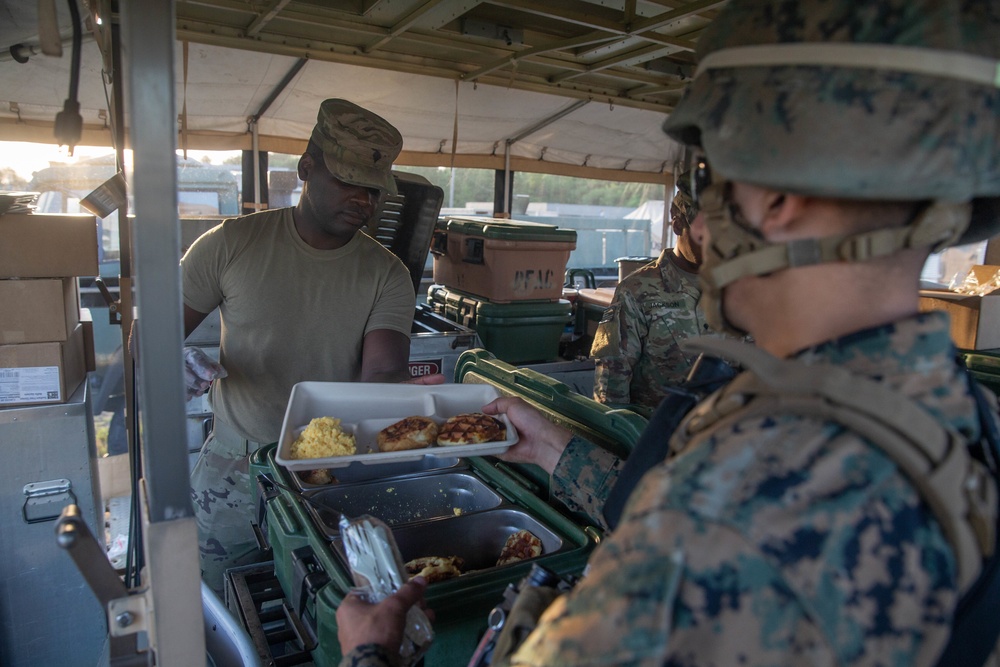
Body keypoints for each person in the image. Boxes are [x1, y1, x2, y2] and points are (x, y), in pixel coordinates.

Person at [334, 1, 1000, 665]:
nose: (701, 221)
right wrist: (552, 447)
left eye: (705, 180)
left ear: (774, 194)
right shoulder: (955, 420)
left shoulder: (737, 505)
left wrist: (372, 654)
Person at [181, 98, 439, 594]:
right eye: (348, 182)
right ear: (306, 168)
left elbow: (380, 377)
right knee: (211, 602)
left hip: (333, 471)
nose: (363, 200)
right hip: (235, 465)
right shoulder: (230, 245)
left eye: (373, 190)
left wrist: (417, 394)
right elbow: (149, 337)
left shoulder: (386, 273)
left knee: (323, 604)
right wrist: (173, 359)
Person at [590, 176, 738, 412]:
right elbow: (611, 383)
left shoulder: (740, 287)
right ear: (678, 224)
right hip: (658, 432)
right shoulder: (637, 291)